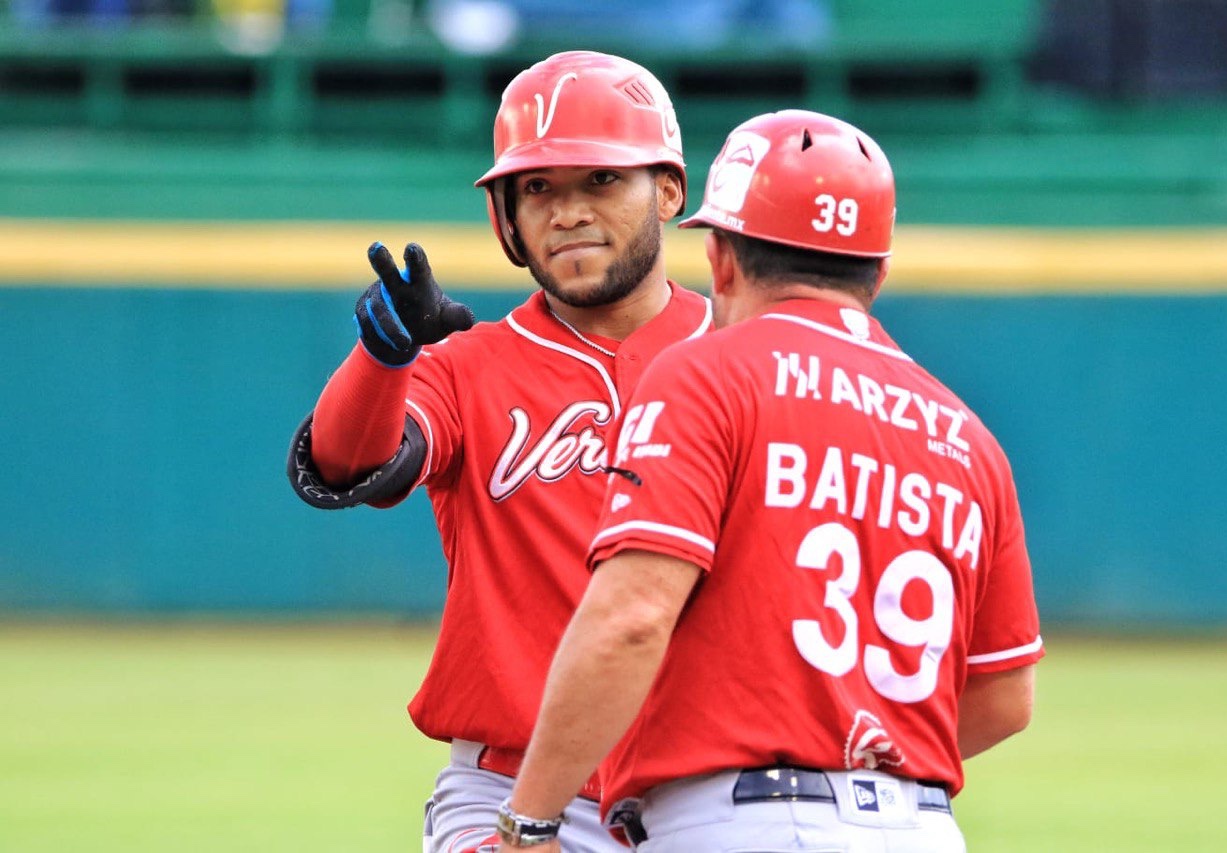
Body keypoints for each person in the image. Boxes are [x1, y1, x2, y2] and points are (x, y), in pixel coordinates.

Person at [491, 109, 1044, 852]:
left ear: (721, 257)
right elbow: (1006, 697)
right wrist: (857, 751)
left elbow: (632, 617)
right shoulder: (967, 436)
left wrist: (529, 819)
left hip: (748, 818)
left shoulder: (707, 374)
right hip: (923, 827)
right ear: (876, 271)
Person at [285, 51, 711, 853]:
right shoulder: (469, 365)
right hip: (508, 783)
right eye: (539, 188)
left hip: (706, 791)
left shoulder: (741, 355)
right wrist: (384, 356)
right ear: (505, 217)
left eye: (600, 181)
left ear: (668, 190)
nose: (568, 211)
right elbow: (347, 465)